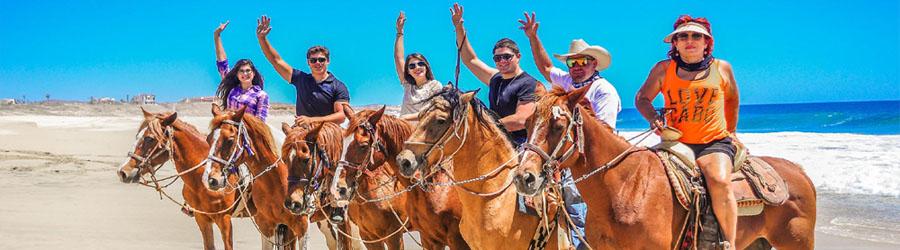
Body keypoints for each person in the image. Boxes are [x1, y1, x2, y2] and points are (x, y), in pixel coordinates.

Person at [634, 15, 740, 249]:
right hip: (675, 142)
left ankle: (729, 243)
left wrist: (731, 131)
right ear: (675, 43)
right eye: (683, 36)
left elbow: (732, 100)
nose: (689, 40)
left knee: (720, 181)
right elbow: (642, 98)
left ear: (706, 43)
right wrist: (653, 118)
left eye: (696, 36)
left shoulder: (722, 68)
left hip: (713, 142)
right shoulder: (663, 69)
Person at [520, 12, 622, 249]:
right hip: (565, 157)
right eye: (572, 62)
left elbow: (605, 132)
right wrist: (533, 37)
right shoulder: (567, 82)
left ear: (594, 64)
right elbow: (545, 66)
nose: (576, 67)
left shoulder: (602, 90)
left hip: (590, 162)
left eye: (582, 62)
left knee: (578, 209)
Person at [451, 3, 544, 145]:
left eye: (507, 56)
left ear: (518, 56)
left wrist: (484, 125)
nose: (502, 61)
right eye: (497, 58)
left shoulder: (529, 83)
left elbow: (521, 120)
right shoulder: (495, 78)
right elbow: (470, 59)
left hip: (520, 144)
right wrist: (459, 27)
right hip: (495, 139)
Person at [255, 15, 350, 125]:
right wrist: (262, 39)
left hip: (328, 132)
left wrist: (311, 120)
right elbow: (276, 61)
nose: (318, 63)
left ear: (328, 61)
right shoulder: (301, 79)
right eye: (313, 60)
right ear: (308, 63)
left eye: (321, 60)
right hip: (302, 130)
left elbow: (341, 116)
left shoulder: (338, 86)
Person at [213, 20, 270, 121]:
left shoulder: (261, 95)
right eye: (241, 71)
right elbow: (222, 63)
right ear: (237, 75)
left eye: (248, 70)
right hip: (229, 130)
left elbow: (260, 122)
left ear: (253, 73)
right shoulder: (233, 89)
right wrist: (217, 35)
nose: (245, 73)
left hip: (248, 133)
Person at [394, 11, 443, 121]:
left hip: (424, 135)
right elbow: (399, 58)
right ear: (408, 71)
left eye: (420, 64)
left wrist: (405, 118)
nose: (417, 67)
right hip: (405, 133)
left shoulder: (435, 86)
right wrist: (399, 32)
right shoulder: (408, 86)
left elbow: (433, 111)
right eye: (412, 66)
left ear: (426, 67)